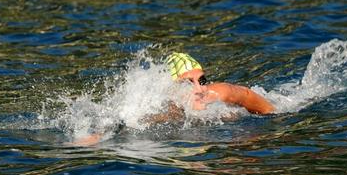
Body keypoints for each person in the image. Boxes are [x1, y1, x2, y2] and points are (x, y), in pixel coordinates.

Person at [75, 52, 275, 145]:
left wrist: (274, 127)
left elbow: (259, 103)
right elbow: (123, 120)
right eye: (188, 82)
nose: (200, 89)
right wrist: (96, 137)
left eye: (202, 80)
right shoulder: (164, 111)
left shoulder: (220, 93)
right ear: (170, 88)